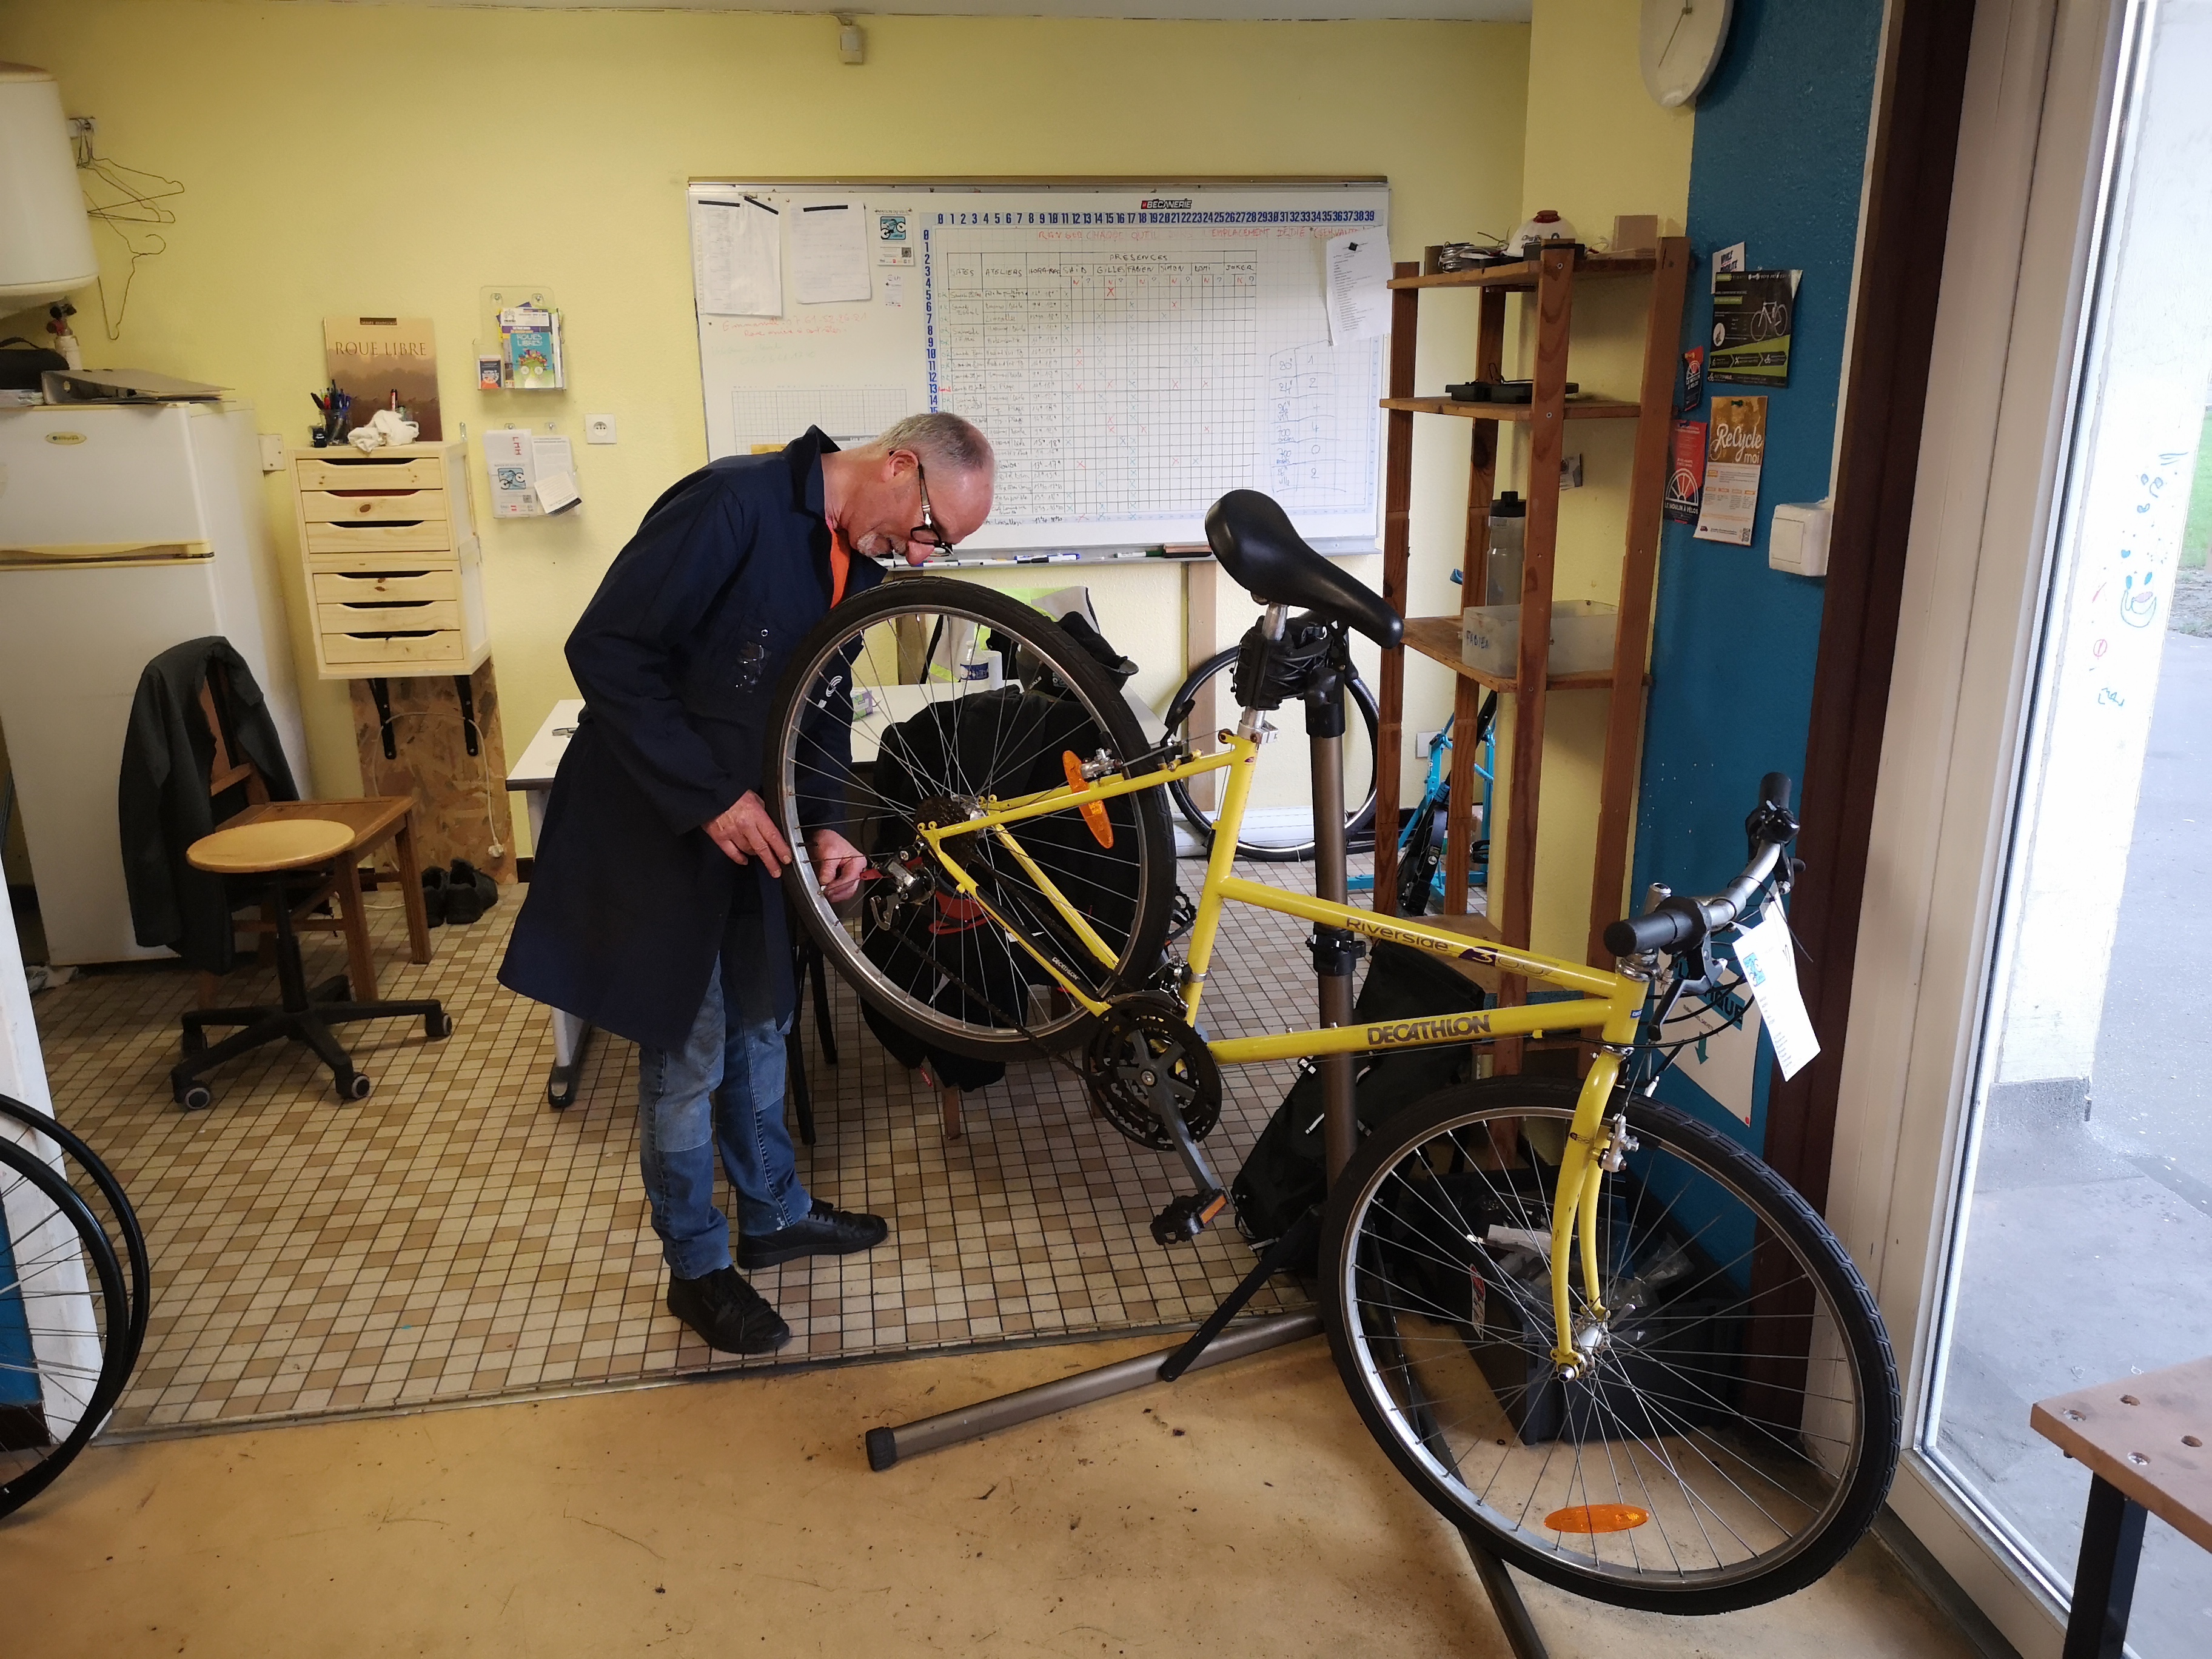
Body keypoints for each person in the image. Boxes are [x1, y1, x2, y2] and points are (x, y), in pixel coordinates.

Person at [500, 415, 996, 1353]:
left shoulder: (855, 559)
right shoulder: (732, 504)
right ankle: (696, 1267)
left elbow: (825, 701)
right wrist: (711, 798)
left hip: (757, 827)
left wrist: (829, 820)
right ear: (900, 465)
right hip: (662, 816)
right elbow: (607, 649)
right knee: (687, 1058)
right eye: (930, 528)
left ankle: (772, 1213)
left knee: (765, 1023)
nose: (922, 553)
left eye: (941, 546)